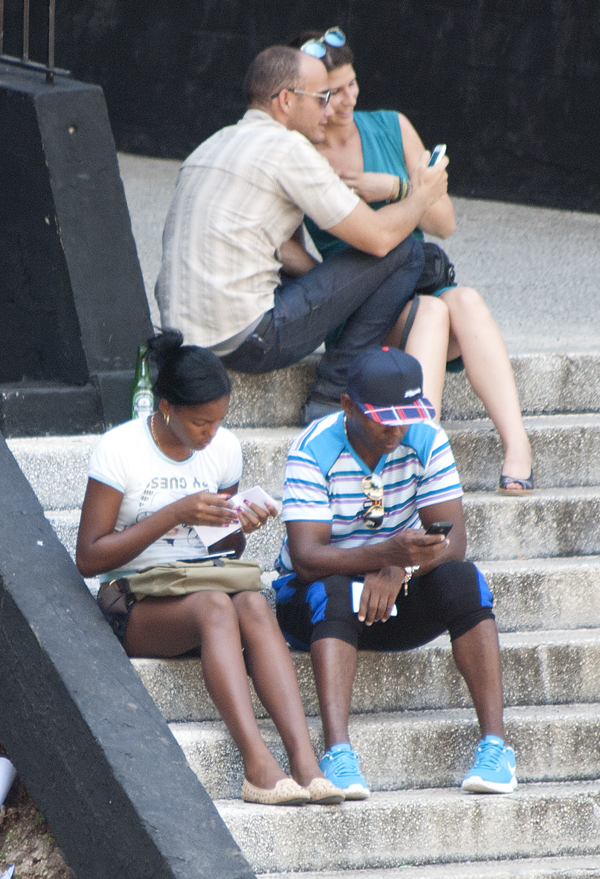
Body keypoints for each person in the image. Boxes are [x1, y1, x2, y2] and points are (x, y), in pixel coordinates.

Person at [76, 330, 344, 806]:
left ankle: (305, 762)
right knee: (218, 606)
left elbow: (225, 549)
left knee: (254, 605)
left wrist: (242, 523)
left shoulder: (223, 449)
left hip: (203, 579)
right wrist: (174, 513)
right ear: (165, 408)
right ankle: (258, 766)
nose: (211, 434)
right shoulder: (119, 450)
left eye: (219, 421)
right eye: (201, 423)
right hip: (136, 600)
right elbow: (89, 556)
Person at [284, 28, 532, 495]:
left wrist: (395, 188)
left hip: (416, 281)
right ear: (307, 95)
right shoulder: (298, 151)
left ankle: (518, 446)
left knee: (466, 301)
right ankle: (422, 448)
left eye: (351, 85)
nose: (345, 100)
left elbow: (445, 221)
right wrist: (335, 282)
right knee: (436, 311)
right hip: (363, 306)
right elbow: (284, 245)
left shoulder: (391, 126)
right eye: (331, 93)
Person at [155, 44, 451, 422]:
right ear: (285, 100)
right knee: (407, 252)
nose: (329, 111)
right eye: (322, 98)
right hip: (245, 339)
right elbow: (378, 238)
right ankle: (332, 393)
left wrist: (345, 289)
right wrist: (421, 193)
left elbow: (276, 248)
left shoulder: (212, 144)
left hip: (183, 338)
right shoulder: (288, 148)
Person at [273, 345, 518, 798]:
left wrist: (398, 567)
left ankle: (496, 747)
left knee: (465, 581)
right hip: (315, 604)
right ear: (347, 405)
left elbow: (454, 542)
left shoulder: (425, 436)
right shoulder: (313, 448)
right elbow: (306, 557)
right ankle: (338, 753)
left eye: (405, 416)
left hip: (392, 592)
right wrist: (386, 553)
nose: (396, 429)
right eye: (381, 419)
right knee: (328, 588)